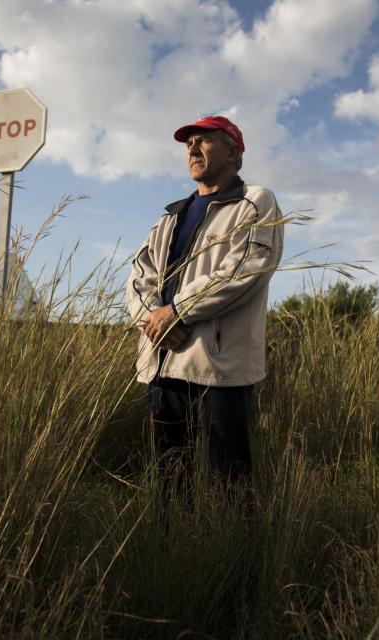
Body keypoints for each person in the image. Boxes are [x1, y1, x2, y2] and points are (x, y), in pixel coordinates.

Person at [126, 115, 284, 512]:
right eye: (188, 143)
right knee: (168, 485)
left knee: (229, 487)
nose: (193, 149)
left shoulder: (256, 202)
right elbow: (138, 276)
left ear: (234, 152)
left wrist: (176, 311)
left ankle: (236, 569)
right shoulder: (170, 217)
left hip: (219, 371)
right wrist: (154, 319)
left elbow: (243, 270)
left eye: (204, 141)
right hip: (162, 364)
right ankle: (170, 560)